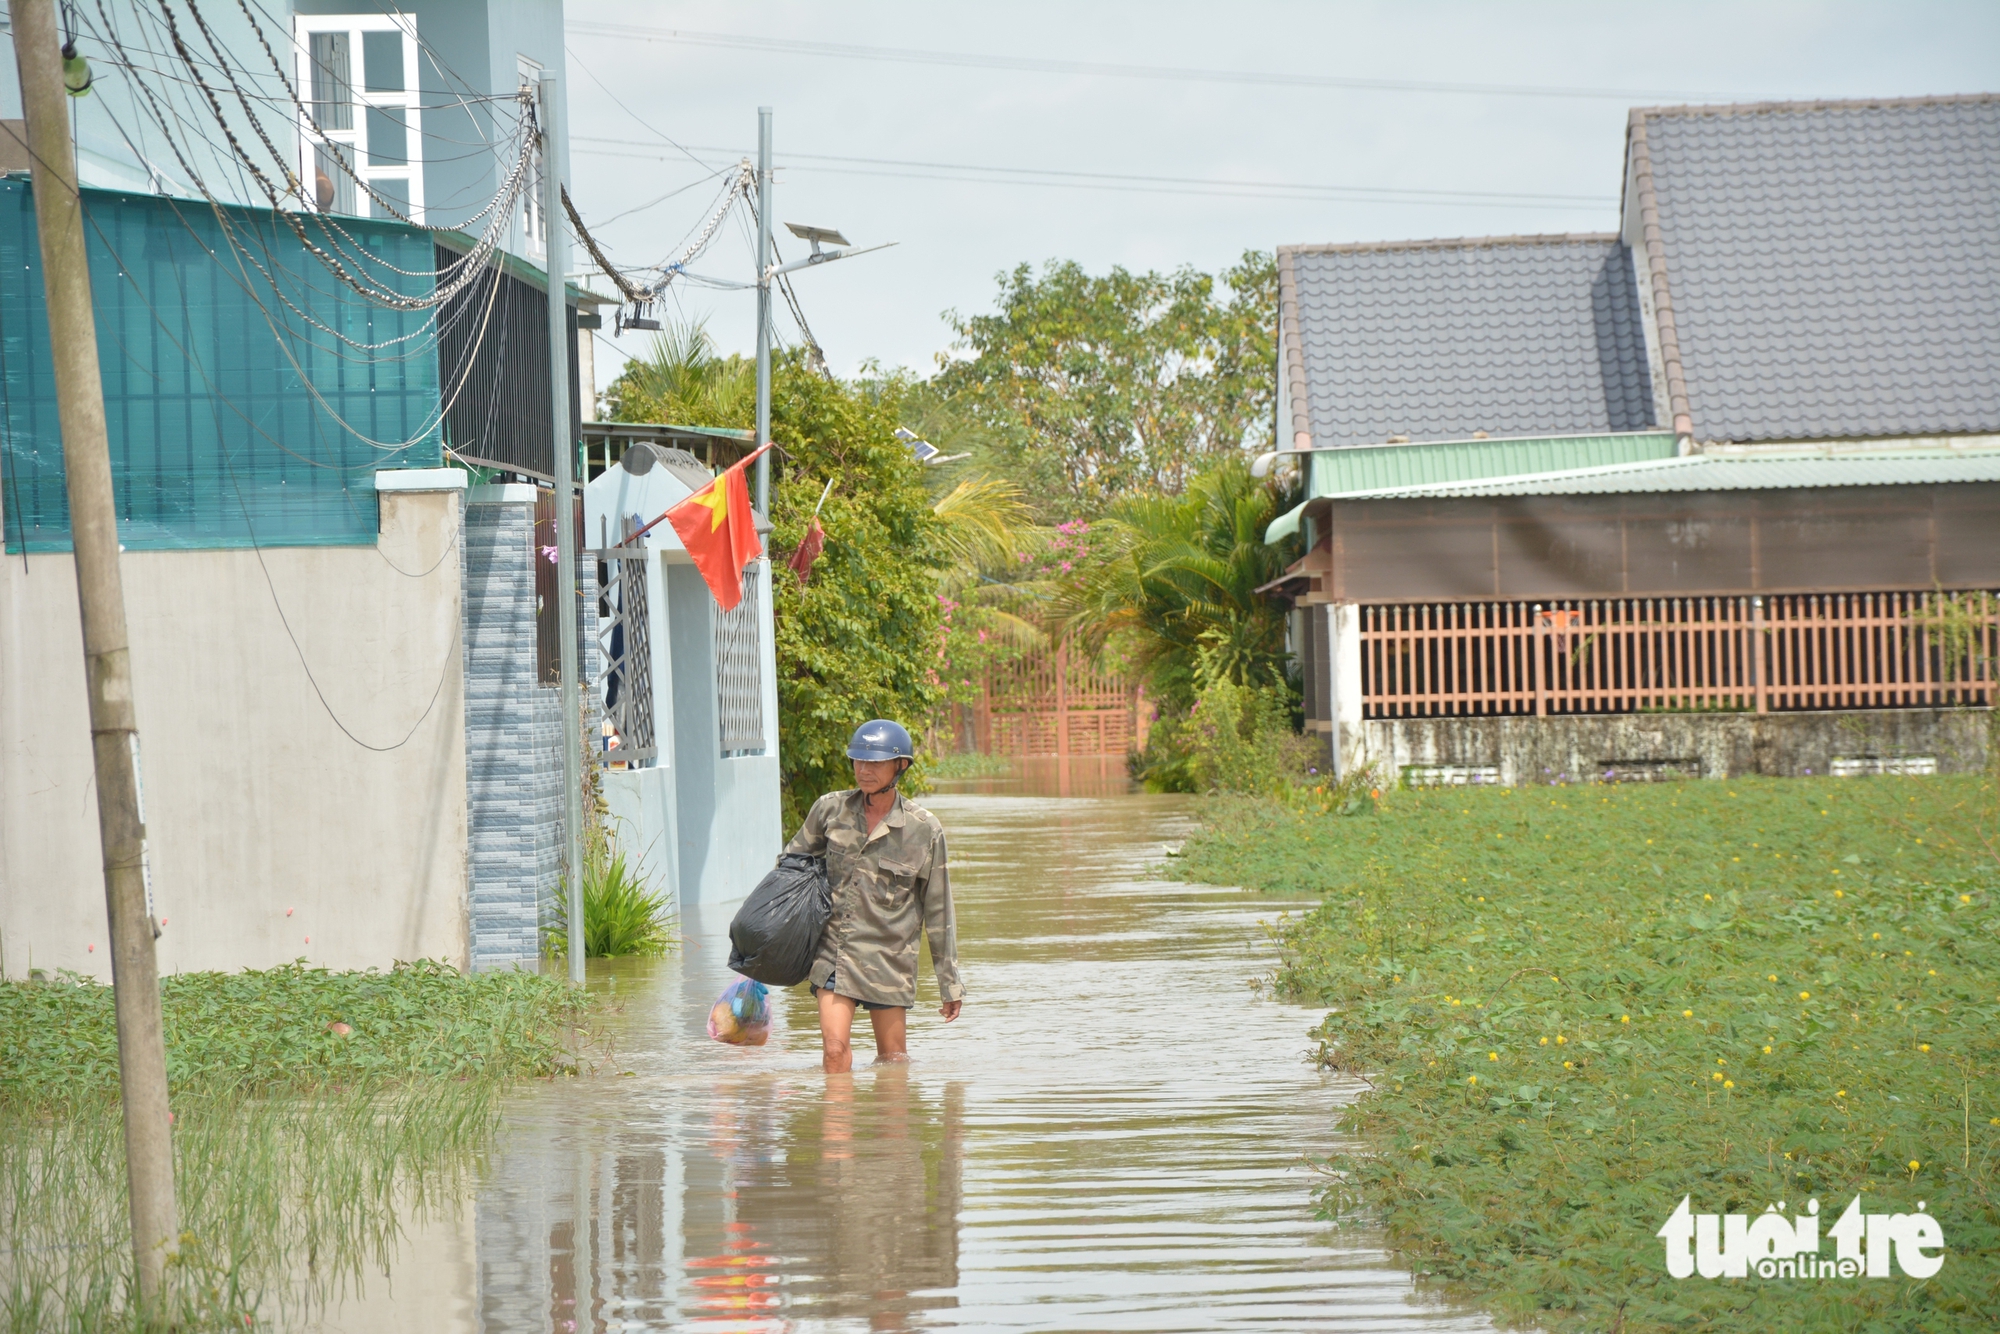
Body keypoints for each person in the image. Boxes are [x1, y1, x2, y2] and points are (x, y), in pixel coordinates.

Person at [786, 719, 965, 1073]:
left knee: (892, 1063)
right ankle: (836, 1109)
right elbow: (790, 870)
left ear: (900, 766)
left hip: (889, 960)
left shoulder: (924, 829)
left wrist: (950, 984)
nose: (864, 770)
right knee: (834, 1051)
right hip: (836, 953)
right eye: (859, 760)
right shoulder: (829, 810)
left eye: (875, 762)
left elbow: (939, 911)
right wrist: (761, 947)